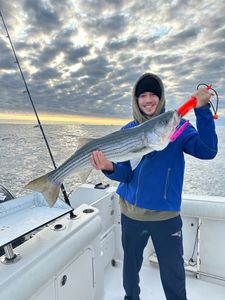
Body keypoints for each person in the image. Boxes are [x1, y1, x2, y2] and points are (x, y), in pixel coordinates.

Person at [90, 73, 218, 300]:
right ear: (136, 100)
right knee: (130, 271)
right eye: (143, 95)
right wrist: (108, 167)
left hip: (165, 217)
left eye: (153, 95)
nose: (148, 100)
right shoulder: (127, 130)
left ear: (161, 97)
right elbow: (126, 174)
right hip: (131, 214)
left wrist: (202, 110)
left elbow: (207, 151)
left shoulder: (176, 128)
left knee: (174, 277)